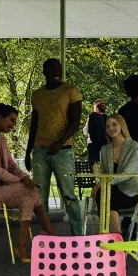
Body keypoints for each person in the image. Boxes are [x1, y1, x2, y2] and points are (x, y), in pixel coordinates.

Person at [0, 102, 56, 258]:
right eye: (11, 120)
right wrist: (20, 182)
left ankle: (21, 245)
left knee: (28, 197)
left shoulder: (2, 141)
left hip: (4, 190)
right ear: (0, 117)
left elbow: (12, 165)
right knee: (29, 190)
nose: (13, 125)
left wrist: (25, 177)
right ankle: (51, 232)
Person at [26, 58, 83, 234]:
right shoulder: (37, 95)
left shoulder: (70, 91)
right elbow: (34, 124)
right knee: (40, 196)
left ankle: (77, 235)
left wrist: (60, 142)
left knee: (68, 194)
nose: (56, 72)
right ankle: (47, 234)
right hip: (40, 150)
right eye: (52, 69)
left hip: (63, 150)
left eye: (59, 68)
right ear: (44, 72)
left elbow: (75, 121)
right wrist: (29, 151)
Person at [95, 112, 138, 236]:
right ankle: (117, 233)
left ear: (122, 125)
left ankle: (107, 233)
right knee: (104, 193)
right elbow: (103, 173)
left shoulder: (135, 146)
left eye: (114, 124)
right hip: (110, 193)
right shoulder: (105, 150)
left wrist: (103, 184)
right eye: (107, 126)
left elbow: (128, 173)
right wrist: (100, 185)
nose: (111, 128)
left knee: (105, 192)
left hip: (130, 193)